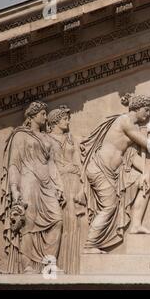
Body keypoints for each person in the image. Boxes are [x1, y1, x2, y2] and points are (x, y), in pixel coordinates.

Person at [81, 94, 150, 254]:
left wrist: (146, 173)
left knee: (146, 184)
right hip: (100, 169)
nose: (148, 115)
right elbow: (148, 145)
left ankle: (136, 224)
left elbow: (130, 156)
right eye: (146, 110)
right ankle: (89, 245)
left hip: (112, 172)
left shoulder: (133, 127)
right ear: (137, 108)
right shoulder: (125, 121)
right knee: (109, 207)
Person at [1, 101, 64, 273]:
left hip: (47, 184)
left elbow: (51, 163)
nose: (45, 117)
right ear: (32, 116)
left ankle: (50, 264)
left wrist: (58, 185)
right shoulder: (20, 135)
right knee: (28, 223)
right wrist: (14, 189)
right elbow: (14, 164)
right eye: (43, 114)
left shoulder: (46, 137)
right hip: (28, 181)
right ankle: (27, 265)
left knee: (57, 220)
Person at [47, 105, 86, 274]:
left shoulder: (71, 139)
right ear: (55, 120)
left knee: (74, 223)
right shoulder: (46, 139)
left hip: (74, 182)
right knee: (60, 222)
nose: (68, 121)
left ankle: (71, 268)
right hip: (57, 184)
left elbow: (79, 162)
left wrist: (83, 186)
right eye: (65, 118)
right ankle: (55, 265)